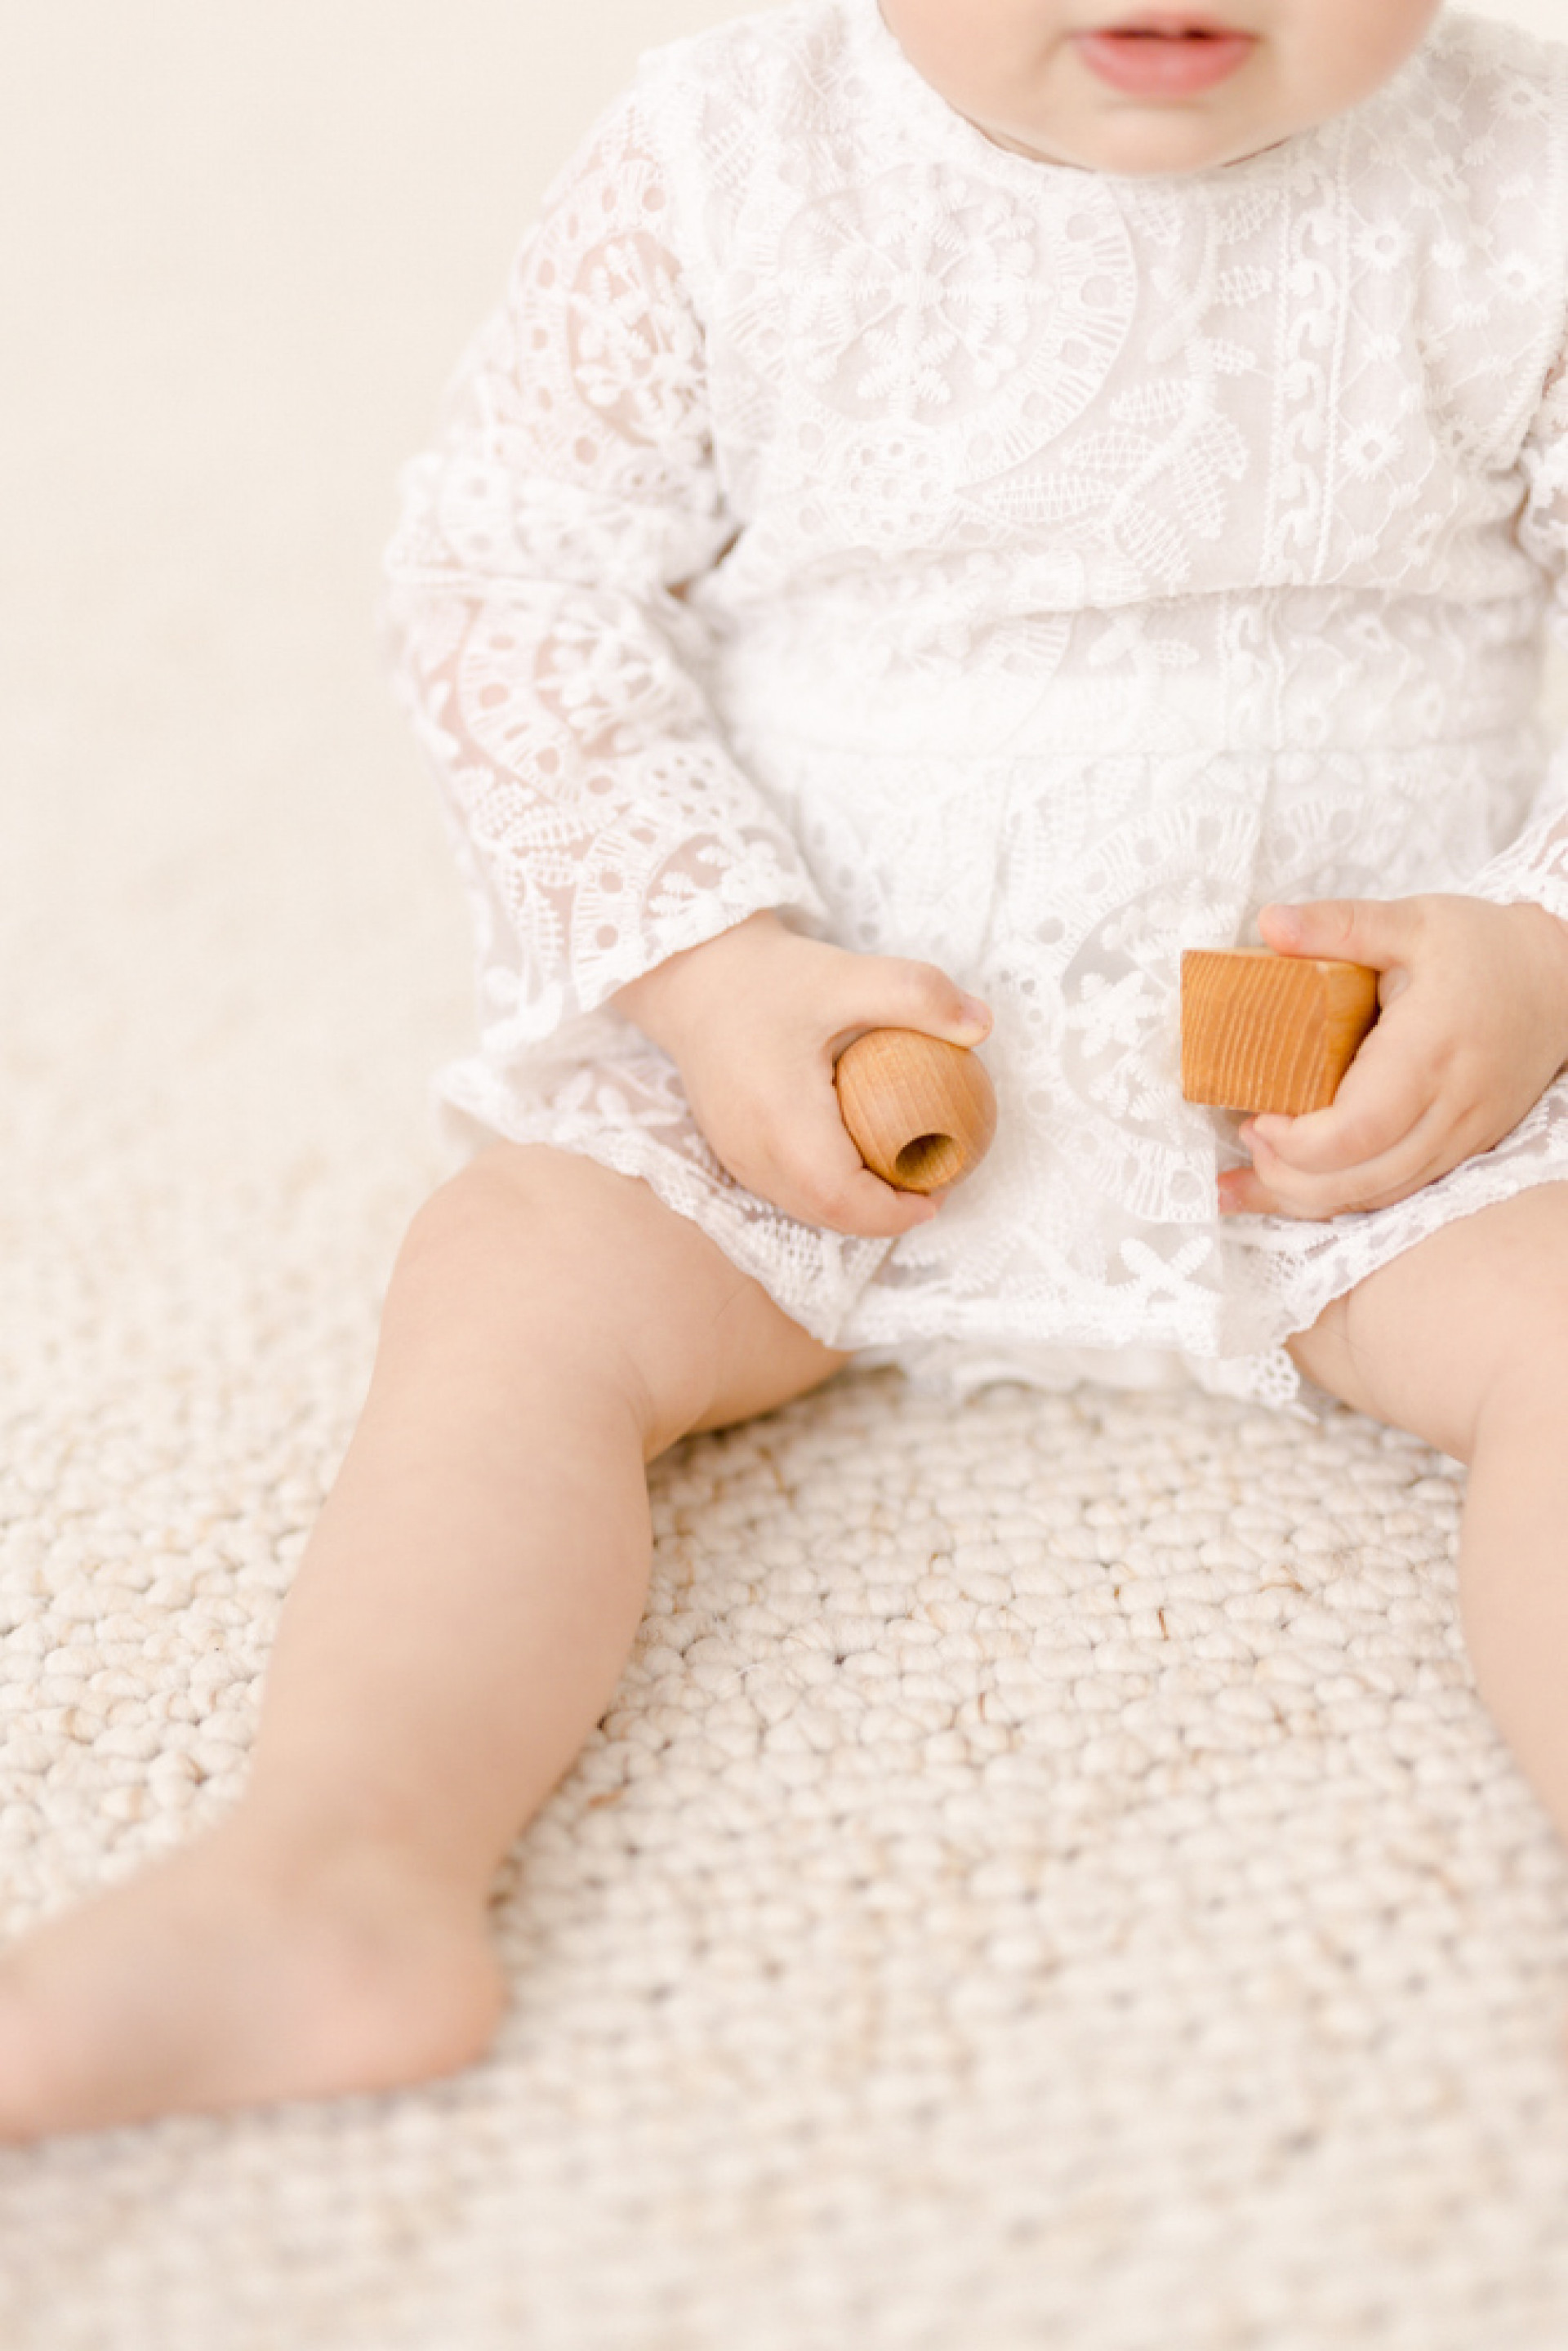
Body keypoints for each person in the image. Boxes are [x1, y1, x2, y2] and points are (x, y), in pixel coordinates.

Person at [3, 0, 1568, 2139]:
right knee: (513, 1274)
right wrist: (712, 968)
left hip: (1372, 1106)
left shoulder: (1523, 172)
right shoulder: (733, 155)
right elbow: (511, 577)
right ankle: (335, 1869)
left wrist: (1538, 946)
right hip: (824, 1049)